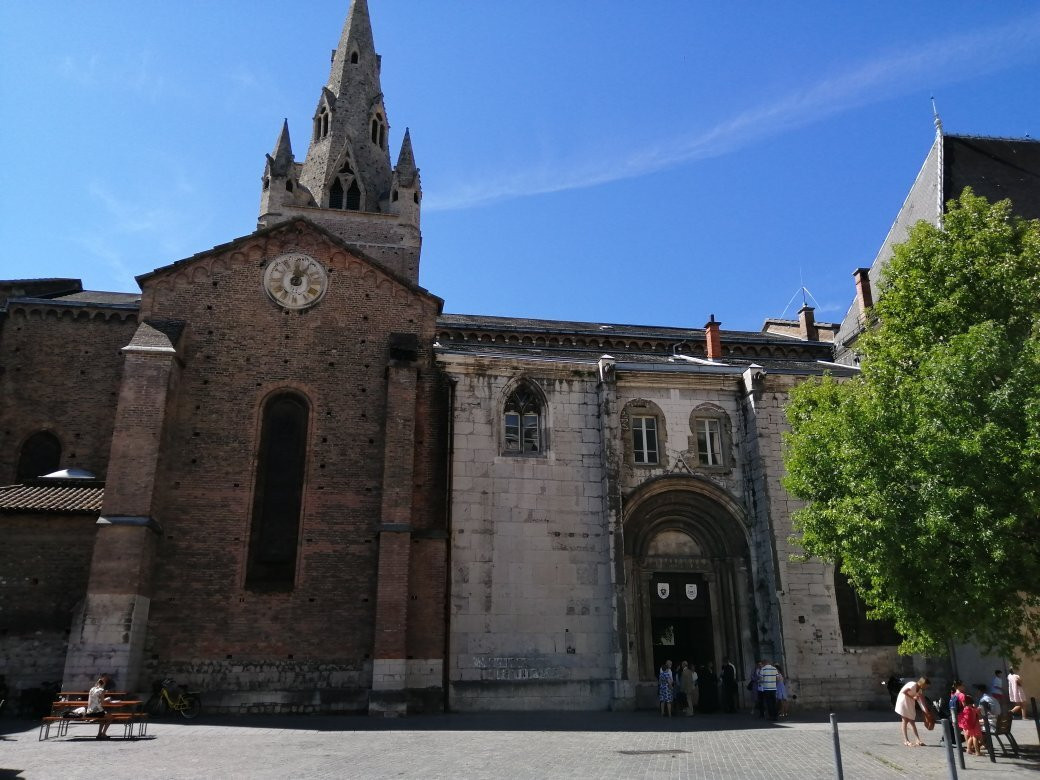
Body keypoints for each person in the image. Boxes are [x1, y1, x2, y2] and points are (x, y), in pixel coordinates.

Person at [895, 676, 929, 747]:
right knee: (904, 720)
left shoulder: (919, 690)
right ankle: (906, 740)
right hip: (903, 701)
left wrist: (926, 712)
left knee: (912, 721)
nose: (926, 687)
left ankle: (918, 740)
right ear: (922, 684)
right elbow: (904, 692)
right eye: (926, 685)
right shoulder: (913, 684)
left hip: (910, 702)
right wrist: (913, 697)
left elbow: (921, 702)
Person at [86, 675, 112, 740]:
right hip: (97, 712)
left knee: (103, 717)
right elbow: (102, 703)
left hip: (89, 711)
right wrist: (107, 700)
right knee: (110, 717)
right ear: (104, 684)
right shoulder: (102, 690)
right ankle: (103, 734)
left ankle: (99, 733)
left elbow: (94, 700)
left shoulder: (91, 689)